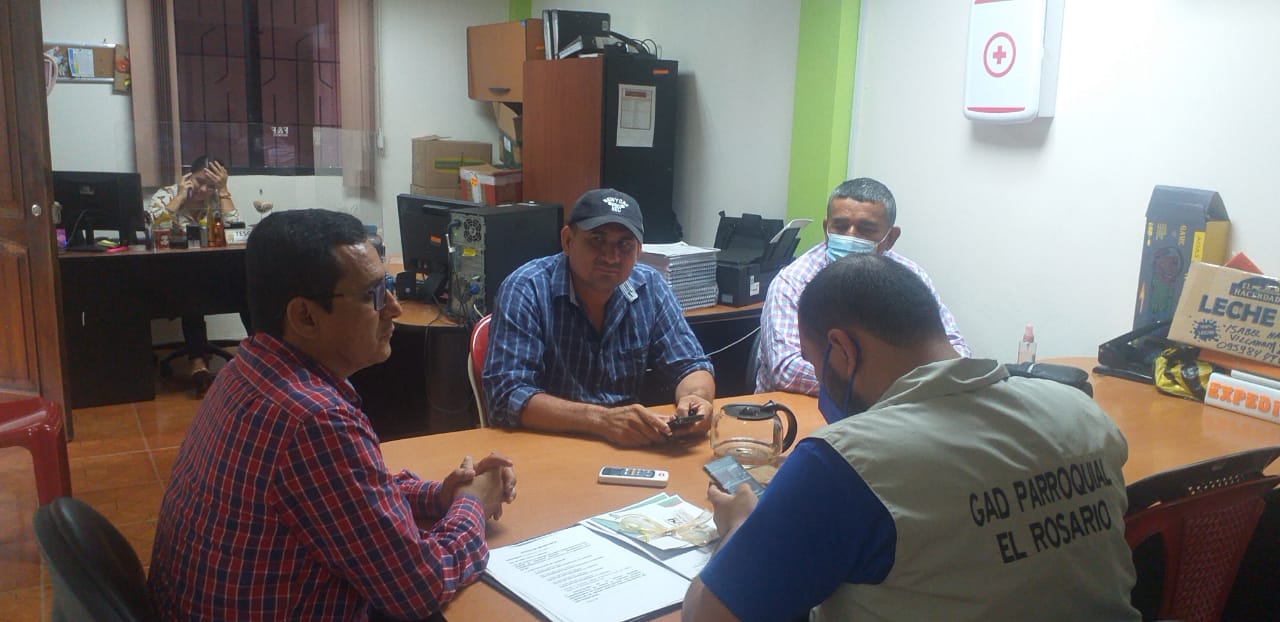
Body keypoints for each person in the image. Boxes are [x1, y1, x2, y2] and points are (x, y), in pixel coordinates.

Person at [683, 254, 1139, 622]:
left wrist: (739, 527)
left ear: (843, 349)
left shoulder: (844, 462)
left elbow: (708, 616)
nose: (821, 385)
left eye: (816, 364)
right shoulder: (1082, 412)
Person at [148, 209, 518, 620]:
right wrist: (472, 503)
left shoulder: (249, 367)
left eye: (388, 287)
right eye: (374, 294)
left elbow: (351, 497)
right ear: (305, 316)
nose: (394, 308)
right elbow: (419, 586)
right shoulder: (314, 420)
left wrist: (440, 496)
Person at [483, 188, 716, 447]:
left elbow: (691, 365)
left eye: (624, 245)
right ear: (568, 240)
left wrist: (697, 399)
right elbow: (507, 395)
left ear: (638, 250)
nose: (611, 257)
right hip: (546, 445)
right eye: (597, 240)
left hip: (624, 447)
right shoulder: (527, 289)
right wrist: (602, 421)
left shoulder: (650, 286)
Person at [756, 177, 969, 395]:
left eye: (865, 229)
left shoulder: (910, 277)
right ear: (826, 229)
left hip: (891, 404)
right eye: (840, 226)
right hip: (798, 407)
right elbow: (786, 370)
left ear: (890, 238)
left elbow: (956, 353)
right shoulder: (794, 281)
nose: (850, 235)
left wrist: (880, 387)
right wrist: (882, 385)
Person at [147, 155, 242, 395]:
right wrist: (180, 197)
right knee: (192, 286)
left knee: (247, 282)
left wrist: (223, 190)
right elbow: (151, 230)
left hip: (212, 273)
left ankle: (260, 357)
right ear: (189, 177)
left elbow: (236, 233)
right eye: (200, 182)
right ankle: (197, 361)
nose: (203, 190)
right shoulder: (166, 195)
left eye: (211, 184)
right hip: (174, 274)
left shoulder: (217, 197)